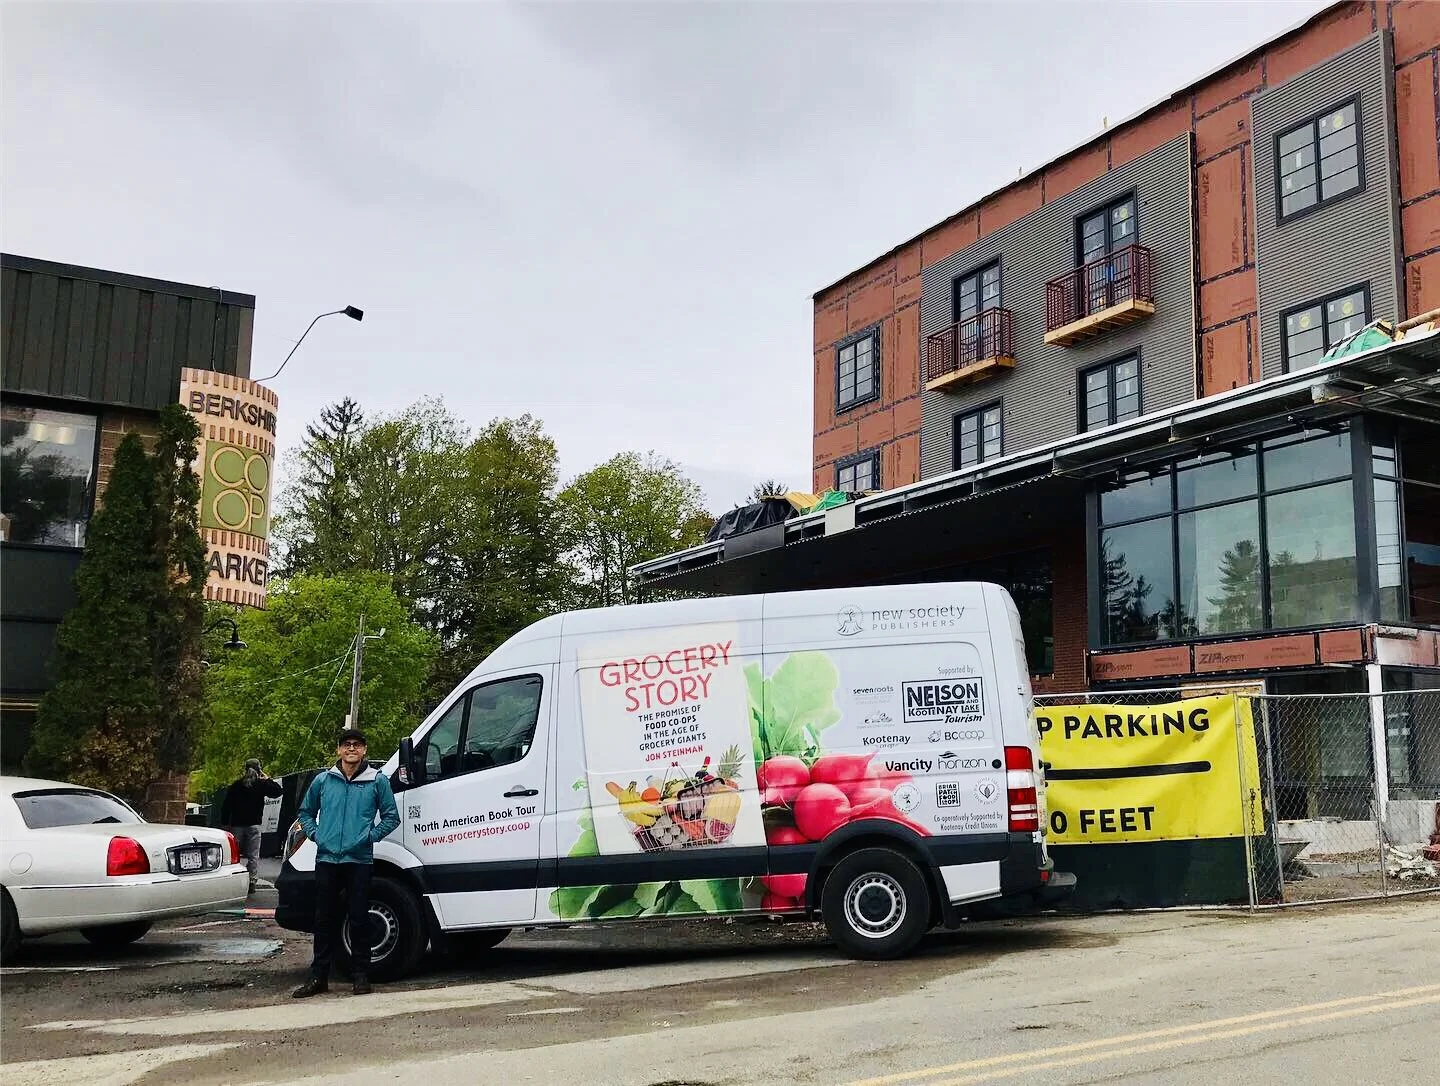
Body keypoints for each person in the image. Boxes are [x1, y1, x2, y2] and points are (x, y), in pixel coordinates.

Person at [292, 728, 400, 998]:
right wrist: (317, 835)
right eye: (346, 745)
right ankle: (319, 976)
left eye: (357, 744)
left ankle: (361, 976)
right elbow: (305, 812)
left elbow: (391, 817)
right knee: (323, 918)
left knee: (359, 917)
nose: (351, 749)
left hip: (359, 860)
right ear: (339, 750)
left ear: (364, 750)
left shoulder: (377, 781)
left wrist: (369, 838)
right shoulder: (323, 781)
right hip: (327, 859)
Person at [220, 758, 284, 895]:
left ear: (245, 769)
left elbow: (226, 806)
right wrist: (267, 779)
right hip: (254, 825)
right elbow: (278, 792)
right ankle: (251, 881)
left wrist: (225, 823)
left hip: (237, 825)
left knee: (234, 855)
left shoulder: (236, 785)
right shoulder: (261, 785)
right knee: (253, 856)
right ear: (259, 769)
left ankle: (234, 881)